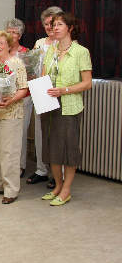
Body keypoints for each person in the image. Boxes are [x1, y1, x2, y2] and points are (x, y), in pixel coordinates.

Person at [40, 13, 92, 206]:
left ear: (70, 28)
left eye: (59, 24)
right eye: (53, 25)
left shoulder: (81, 52)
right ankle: (57, 186)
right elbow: (44, 76)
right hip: (49, 104)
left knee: (69, 149)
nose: (55, 28)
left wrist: (65, 90)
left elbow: (87, 84)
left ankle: (67, 189)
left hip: (70, 105)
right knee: (52, 147)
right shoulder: (50, 50)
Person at [0, 31, 28, 204]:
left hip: (11, 113)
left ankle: (11, 189)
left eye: (2, 43)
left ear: (9, 45)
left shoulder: (17, 63)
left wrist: (11, 99)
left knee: (9, 152)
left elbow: (23, 89)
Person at [27, 6, 64, 188]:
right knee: (40, 133)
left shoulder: (65, 43)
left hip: (59, 92)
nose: (50, 27)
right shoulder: (40, 43)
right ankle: (42, 170)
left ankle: (59, 174)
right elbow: (32, 67)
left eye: (53, 23)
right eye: (46, 24)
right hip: (40, 92)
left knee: (57, 135)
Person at [5, 18, 31, 178]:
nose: (12, 35)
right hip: (4, 98)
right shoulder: (0, 51)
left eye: (15, 32)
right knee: (6, 134)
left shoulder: (25, 53)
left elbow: (30, 76)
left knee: (20, 133)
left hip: (23, 98)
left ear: (20, 35)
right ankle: (6, 165)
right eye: (9, 31)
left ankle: (20, 165)